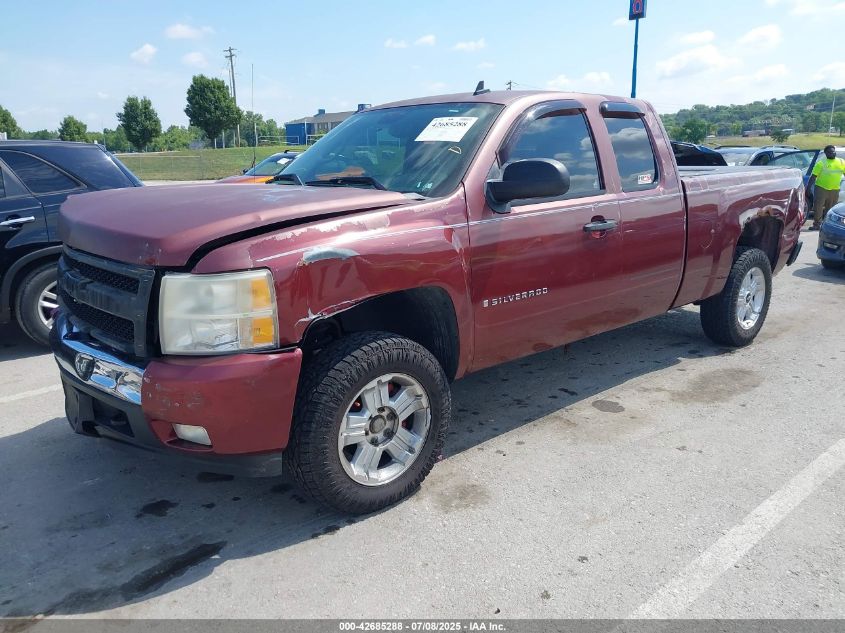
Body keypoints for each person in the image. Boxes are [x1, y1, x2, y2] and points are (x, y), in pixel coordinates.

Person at [808, 145, 845, 230]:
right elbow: (813, 176)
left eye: (833, 151)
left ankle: (828, 225)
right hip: (821, 188)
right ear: (826, 153)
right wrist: (808, 188)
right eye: (830, 152)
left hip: (835, 189)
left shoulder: (841, 162)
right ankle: (817, 225)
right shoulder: (821, 163)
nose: (832, 153)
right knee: (818, 207)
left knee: (831, 208)